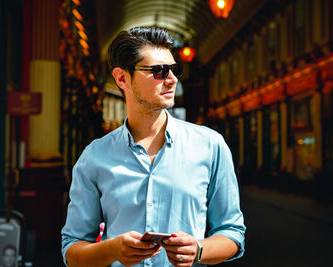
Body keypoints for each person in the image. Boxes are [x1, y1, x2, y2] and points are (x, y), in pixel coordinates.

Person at [61, 26, 246, 267]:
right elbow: (72, 249)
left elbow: (232, 233)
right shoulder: (94, 156)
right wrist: (112, 249)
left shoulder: (211, 146)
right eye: (158, 71)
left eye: (173, 69)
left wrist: (198, 249)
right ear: (121, 78)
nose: (172, 79)